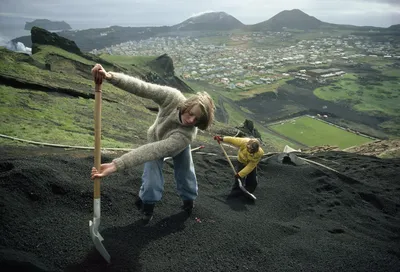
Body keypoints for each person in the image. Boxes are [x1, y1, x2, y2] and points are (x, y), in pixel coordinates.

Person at [90, 63, 215, 221]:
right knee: (151, 179)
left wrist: (115, 165)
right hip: (155, 138)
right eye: (190, 113)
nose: (190, 120)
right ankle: (147, 207)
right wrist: (110, 77)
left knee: (186, 174)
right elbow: (143, 88)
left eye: (196, 119)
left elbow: (157, 150)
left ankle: (189, 201)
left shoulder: (186, 135)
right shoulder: (173, 98)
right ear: (187, 105)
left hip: (176, 146)